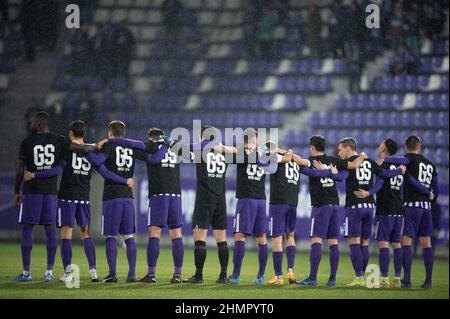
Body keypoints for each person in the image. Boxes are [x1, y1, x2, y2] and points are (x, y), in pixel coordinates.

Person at [23, 120, 132, 283]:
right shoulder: (90, 152)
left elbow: (59, 170)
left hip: (67, 196)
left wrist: (35, 175)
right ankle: (93, 271)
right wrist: (124, 180)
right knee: (85, 234)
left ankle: (68, 273)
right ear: (84, 134)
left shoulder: (68, 150)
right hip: (84, 198)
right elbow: (103, 171)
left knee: (66, 235)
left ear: (70, 134)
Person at [14, 112, 98, 282]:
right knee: (56, 230)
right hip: (61, 193)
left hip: (41, 192)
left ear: (36, 123)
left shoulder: (27, 142)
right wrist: (95, 146)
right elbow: (88, 157)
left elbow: (21, 169)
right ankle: (51, 272)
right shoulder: (59, 140)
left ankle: (28, 272)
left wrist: (18, 189)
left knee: (30, 229)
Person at [107, 129, 184, 284]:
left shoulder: (151, 144)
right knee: (176, 234)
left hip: (159, 194)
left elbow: (129, 143)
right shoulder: (175, 147)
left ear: (151, 137)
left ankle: (151, 274)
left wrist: (109, 141)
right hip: (176, 194)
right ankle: (177, 275)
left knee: (154, 232)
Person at [296, 135, 367, 287]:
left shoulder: (312, 160)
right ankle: (332, 278)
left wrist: (286, 153)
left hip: (321, 205)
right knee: (333, 241)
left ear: (312, 147)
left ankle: (313, 277)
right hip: (335, 204)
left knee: (316, 239)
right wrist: (362, 156)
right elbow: (352, 167)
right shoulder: (334, 161)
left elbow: (305, 167)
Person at [335, 137, 405, 288]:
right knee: (365, 242)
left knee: (353, 242)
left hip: (355, 206)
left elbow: (341, 178)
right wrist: (400, 170)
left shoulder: (348, 165)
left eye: (340, 149)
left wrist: (331, 172)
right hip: (370, 206)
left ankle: (359, 277)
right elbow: (385, 175)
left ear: (348, 148)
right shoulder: (370, 161)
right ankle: (366, 276)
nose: (339, 153)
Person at [183, 126, 236, 284]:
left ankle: (198, 276)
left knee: (200, 239)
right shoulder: (224, 152)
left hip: (205, 198)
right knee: (222, 239)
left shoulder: (201, 151)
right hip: (220, 198)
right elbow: (241, 152)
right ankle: (223, 276)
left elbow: (182, 149)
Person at [401, 136, 440, 289]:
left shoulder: (407, 159)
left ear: (406, 147)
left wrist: (423, 190)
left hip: (412, 205)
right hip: (427, 208)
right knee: (426, 243)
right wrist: (430, 197)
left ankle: (407, 279)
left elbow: (408, 178)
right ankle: (428, 281)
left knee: (406, 241)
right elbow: (436, 190)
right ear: (419, 146)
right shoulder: (430, 164)